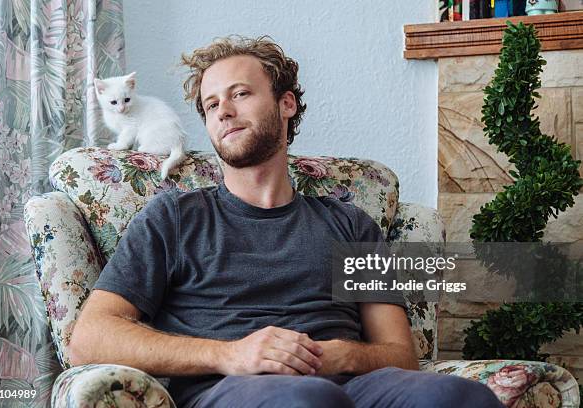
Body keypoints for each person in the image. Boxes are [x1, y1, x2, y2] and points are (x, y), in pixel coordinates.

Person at [70, 36, 503, 408]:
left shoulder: (351, 225)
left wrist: (343, 357)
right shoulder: (174, 220)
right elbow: (90, 339)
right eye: (211, 104)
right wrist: (229, 355)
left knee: (463, 397)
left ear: (286, 103)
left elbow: (401, 355)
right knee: (308, 400)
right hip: (233, 389)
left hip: (356, 388)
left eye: (240, 94)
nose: (223, 111)